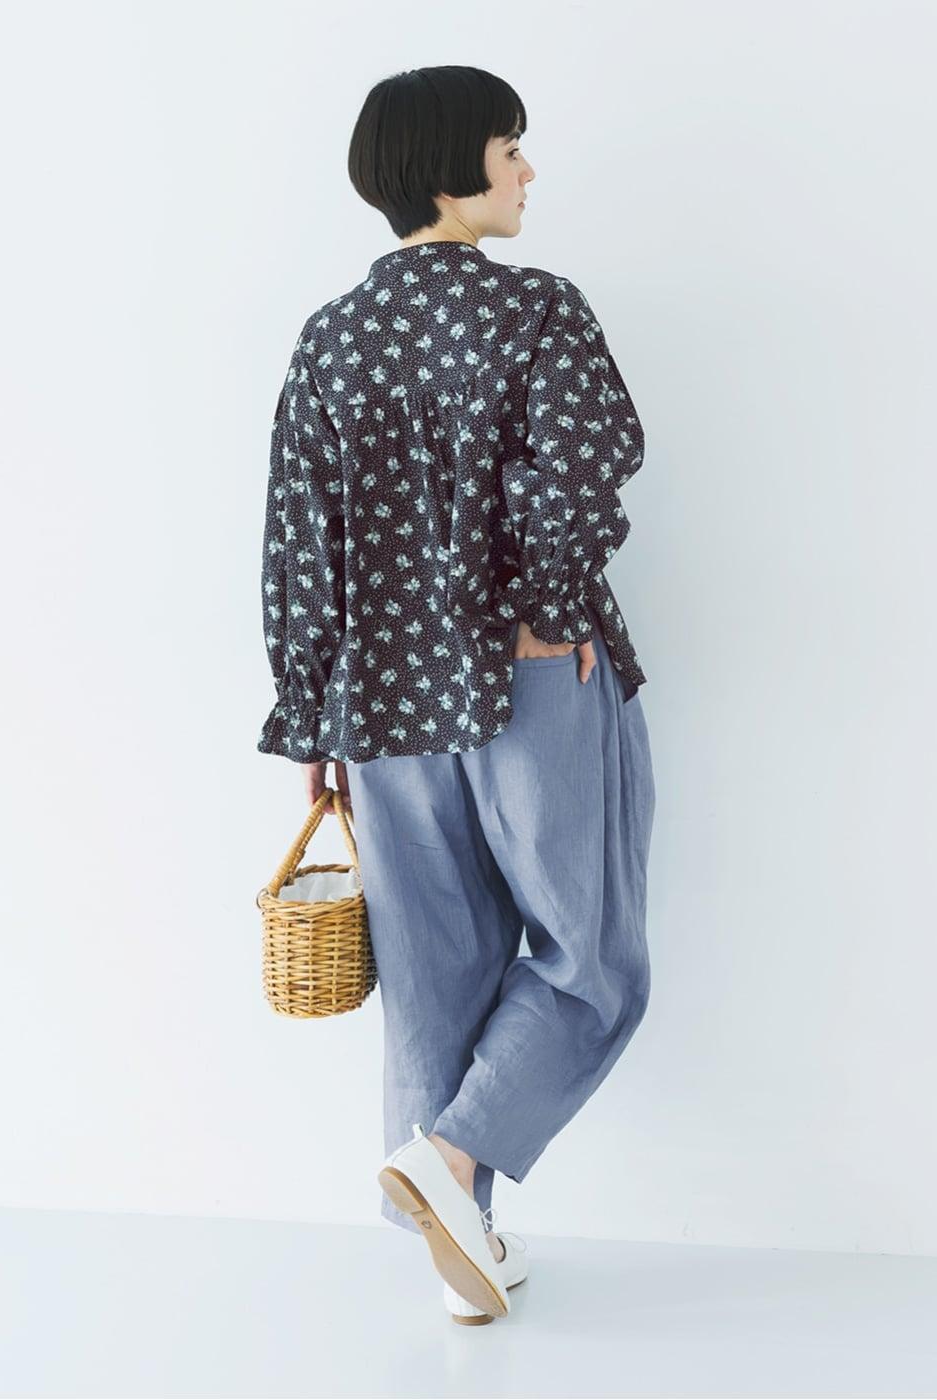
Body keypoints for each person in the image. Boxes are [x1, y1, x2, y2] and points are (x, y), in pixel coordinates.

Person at [257, 65, 656, 1323]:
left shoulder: (331, 337)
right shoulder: (535, 309)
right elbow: (585, 466)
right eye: (509, 146)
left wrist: (310, 705)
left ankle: (459, 1237)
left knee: (436, 971)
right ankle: (453, 1163)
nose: (527, 170)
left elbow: (300, 536)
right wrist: (548, 599)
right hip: (533, 669)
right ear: (450, 166)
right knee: (593, 958)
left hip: (379, 694)